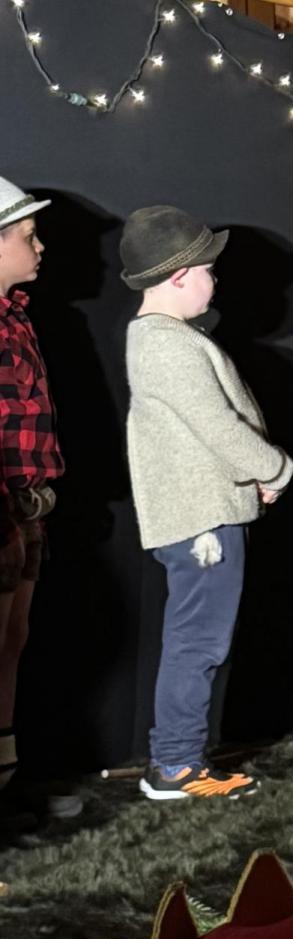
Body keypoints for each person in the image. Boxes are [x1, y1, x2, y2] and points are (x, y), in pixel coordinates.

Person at [122, 205, 293, 799]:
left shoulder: (169, 338)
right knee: (198, 642)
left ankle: (179, 759)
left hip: (208, 514)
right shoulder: (164, 343)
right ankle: (176, 767)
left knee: (197, 640)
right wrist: (275, 468)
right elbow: (218, 426)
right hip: (202, 524)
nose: (214, 282)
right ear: (178, 275)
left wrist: (253, 479)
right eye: (208, 271)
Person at [0, 177, 63, 792]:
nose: (39, 247)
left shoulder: (16, 316)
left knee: (12, 640)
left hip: (28, 509)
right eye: (27, 236)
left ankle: (7, 778)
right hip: (3, 513)